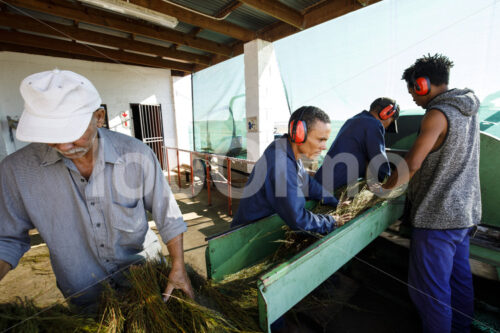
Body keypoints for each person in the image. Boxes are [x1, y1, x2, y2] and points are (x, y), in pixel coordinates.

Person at [0, 69, 194, 308]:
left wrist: (178, 265)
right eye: (51, 136)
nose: (64, 145)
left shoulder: (136, 154)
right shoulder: (16, 171)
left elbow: (169, 217)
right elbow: (7, 239)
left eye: (73, 133)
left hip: (146, 278)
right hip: (85, 294)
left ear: (99, 117)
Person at [381, 54, 480, 332]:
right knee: (459, 282)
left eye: (413, 89)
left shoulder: (437, 114)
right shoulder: (468, 111)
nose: (412, 96)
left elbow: (412, 164)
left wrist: (379, 192)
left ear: (422, 84)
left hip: (438, 218)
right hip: (464, 215)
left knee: (430, 294)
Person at [231, 106, 349, 234]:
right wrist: (332, 221)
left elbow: (308, 184)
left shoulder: (286, 149)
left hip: (265, 227)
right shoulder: (281, 163)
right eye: (321, 140)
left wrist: (334, 202)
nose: (324, 147)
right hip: (248, 235)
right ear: (299, 134)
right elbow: (298, 219)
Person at [314, 97, 399, 192]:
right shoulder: (373, 124)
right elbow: (378, 159)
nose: (386, 128)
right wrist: (387, 180)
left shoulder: (354, 120)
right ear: (387, 113)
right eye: (390, 122)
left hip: (321, 180)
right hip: (335, 186)